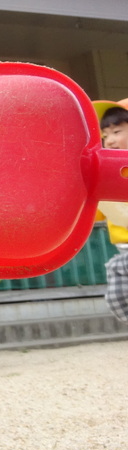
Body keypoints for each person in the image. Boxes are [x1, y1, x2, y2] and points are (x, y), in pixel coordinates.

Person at [94, 99, 128, 322]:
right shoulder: (109, 173)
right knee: (118, 300)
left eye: (117, 131)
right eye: (105, 136)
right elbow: (93, 212)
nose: (111, 141)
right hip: (124, 249)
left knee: (117, 269)